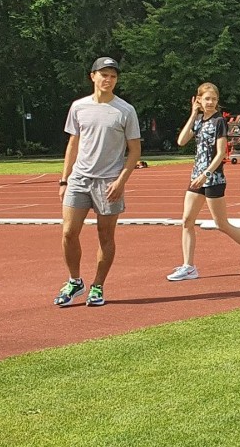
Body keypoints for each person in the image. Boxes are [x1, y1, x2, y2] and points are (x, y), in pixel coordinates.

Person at [54, 57, 142, 307]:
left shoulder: (125, 110)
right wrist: (64, 180)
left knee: (105, 235)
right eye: (103, 74)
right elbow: (73, 143)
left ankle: (98, 286)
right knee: (69, 232)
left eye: (113, 76)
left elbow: (134, 150)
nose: (108, 80)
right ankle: (74, 281)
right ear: (92, 76)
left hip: (109, 182)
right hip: (79, 178)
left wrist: (121, 181)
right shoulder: (78, 107)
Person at [167, 83, 240, 281]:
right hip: (195, 177)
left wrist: (206, 174)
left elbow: (221, 152)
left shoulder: (218, 122)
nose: (211, 102)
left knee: (221, 223)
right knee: (187, 221)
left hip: (212, 178)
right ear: (198, 99)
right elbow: (181, 141)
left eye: (214, 99)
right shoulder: (198, 119)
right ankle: (189, 266)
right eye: (207, 99)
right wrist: (192, 114)